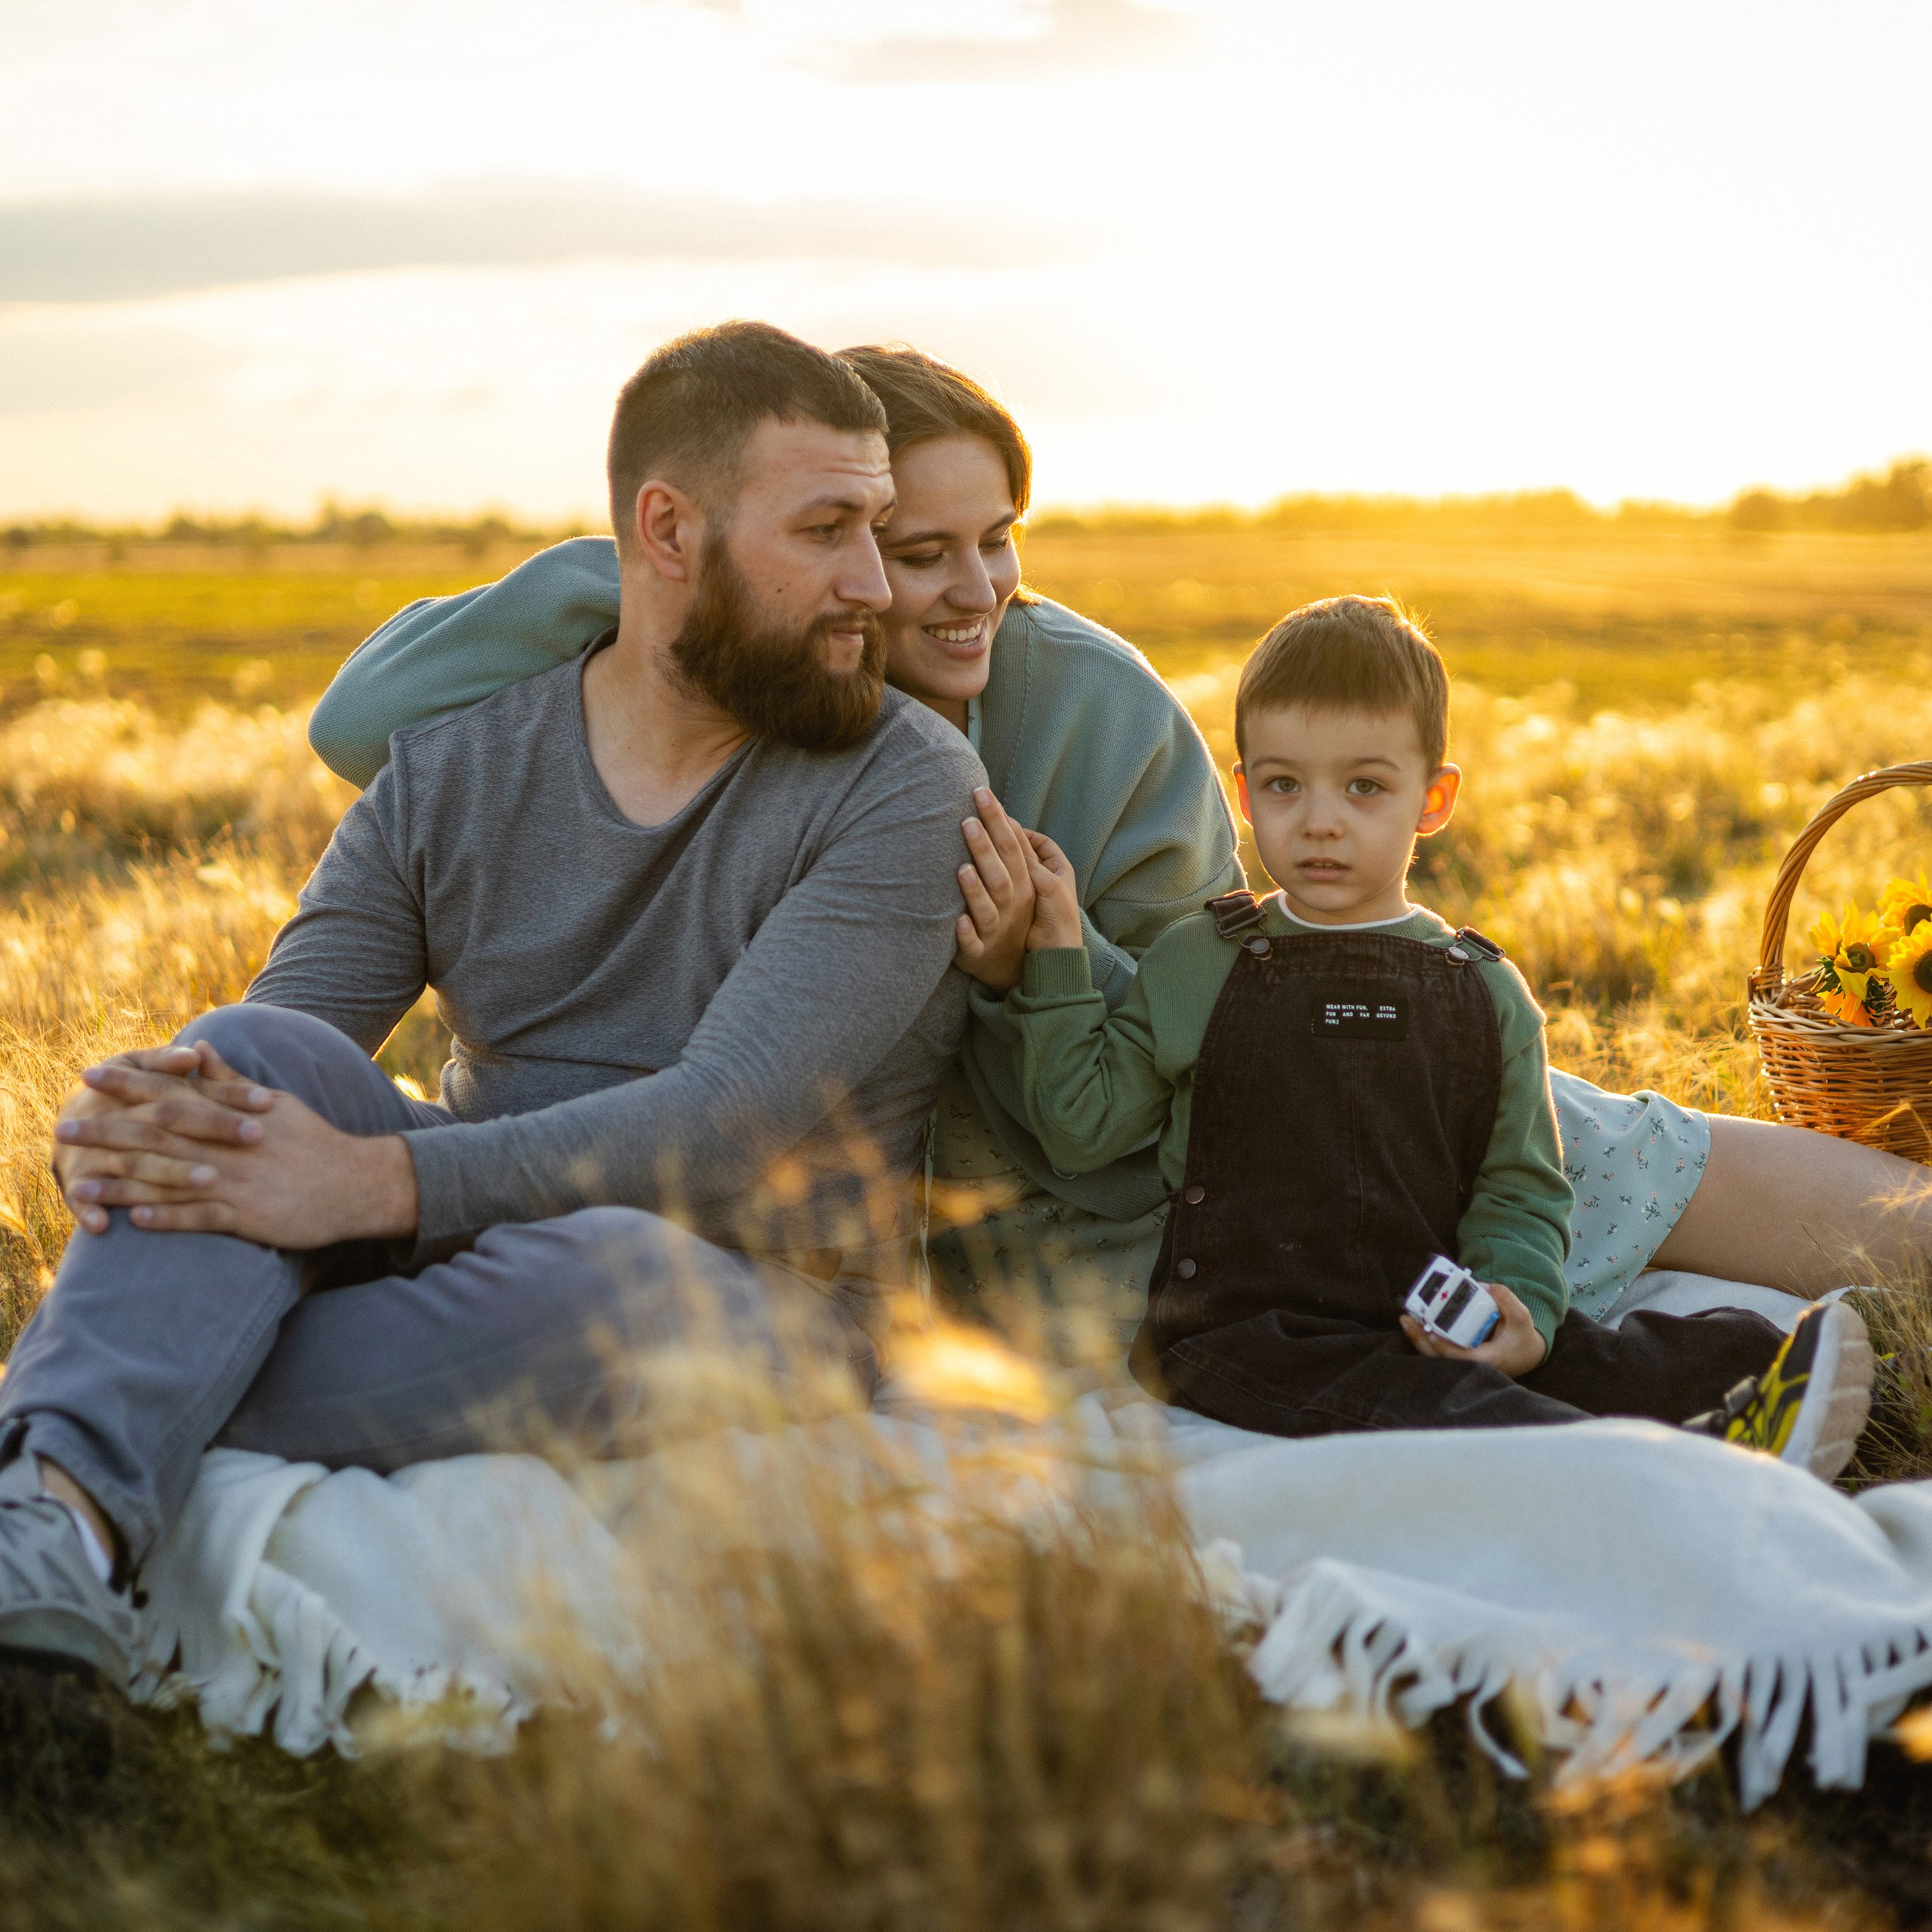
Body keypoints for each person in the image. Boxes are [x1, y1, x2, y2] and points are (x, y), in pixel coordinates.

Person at [306, 349, 1932, 1339]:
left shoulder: (1081, 703)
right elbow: (361, 717)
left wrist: (1042, 969)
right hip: (881, 1206)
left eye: (997, 539)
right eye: (906, 545)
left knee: (1613, 1157)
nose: (968, 590)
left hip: (1238, 1099)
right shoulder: (749, 669)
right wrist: (642, 573)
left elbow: (1190, 1060)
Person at [0, 321, 986, 1690]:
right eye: (828, 530)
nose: (874, 584)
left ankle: (76, 1430)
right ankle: (48, 1545)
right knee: (247, 1049)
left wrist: (362, 1185)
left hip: (760, 1297)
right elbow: (282, 1050)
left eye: (877, 531)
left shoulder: (903, 785)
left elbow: (716, 1128)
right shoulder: (463, 763)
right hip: (462, 1248)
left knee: (608, 1273)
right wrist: (143, 1123)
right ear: (668, 530)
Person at [1004, 596, 1877, 1475]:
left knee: (1590, 1352)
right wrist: (1051, 963)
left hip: (1428, 1307)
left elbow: (1519, 1187)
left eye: (1364, 787)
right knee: (1429, 1405)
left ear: (1433, 798)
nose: (1319, 820)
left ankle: (1771, 1375)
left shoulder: (1481, 988)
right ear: (1242, 793)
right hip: (1243, 1332)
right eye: (1282, 784)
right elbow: (1083, 1125)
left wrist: (1519, 1307)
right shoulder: (1200, 959)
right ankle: (1664, 1467)